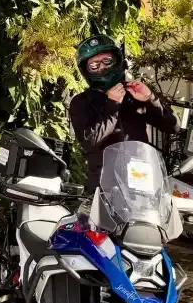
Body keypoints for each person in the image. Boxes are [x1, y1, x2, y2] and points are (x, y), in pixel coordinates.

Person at [69, 35, 180, 191]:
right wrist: (112, 104)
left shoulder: (134, 93)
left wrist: (150, 99)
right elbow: (90, 141)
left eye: (107, 61)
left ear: (117, 61)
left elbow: (173, 126)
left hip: (142, 181)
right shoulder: (81, 102)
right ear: (86, 70)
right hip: (105, 185)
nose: (102, 67)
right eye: (94, 65)